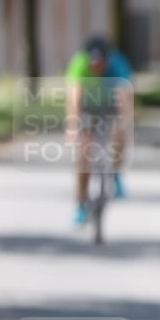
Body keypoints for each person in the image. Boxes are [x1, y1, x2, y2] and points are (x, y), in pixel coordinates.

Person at [64, 35, 133, 226]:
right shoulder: (79, 64)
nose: (96, 66)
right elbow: (74, 96)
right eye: (93, 63)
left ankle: (116, 174)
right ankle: (81, 203)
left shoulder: (117, 64)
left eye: (100, 63)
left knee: (120, 133)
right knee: (83, 155)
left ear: (107, 59)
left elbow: (124, 95)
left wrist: (124, 123)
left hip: (111, 105)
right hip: (88, 107)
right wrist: (73, 126)